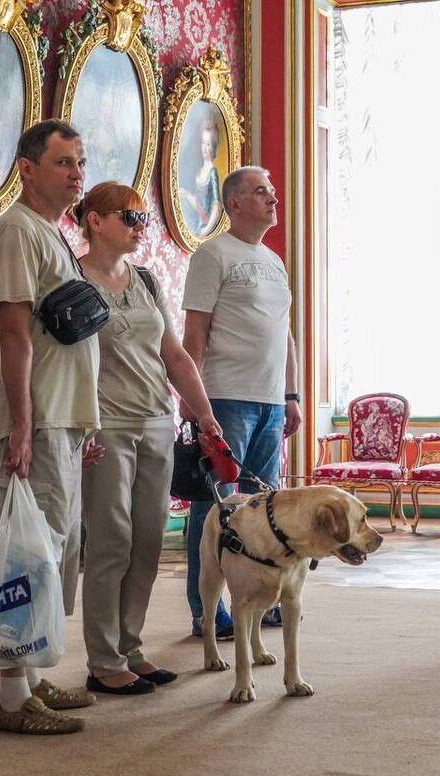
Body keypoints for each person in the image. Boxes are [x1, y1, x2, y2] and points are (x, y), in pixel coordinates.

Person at [0, 119, 102, 734]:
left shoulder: (49, 234)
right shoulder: (17, 233)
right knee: (30, 555)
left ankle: (30, 673)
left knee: (53, 552)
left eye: (80, 162)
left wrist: (83, 423)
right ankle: (10, 699)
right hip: (39, 419)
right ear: (27, 169)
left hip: (61, 419)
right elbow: (13, 333)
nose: (77, 174)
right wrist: (22, 426)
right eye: (64, 163)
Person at [74, 182, 223, 695]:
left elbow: (175, 356)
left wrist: (203, 415)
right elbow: (59, 362)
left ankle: (131, 648)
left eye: (142, 218)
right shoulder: (71, 278)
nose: (141, 226)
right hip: (106, 425)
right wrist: (78, 426)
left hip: (157, 421)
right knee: (111, 541)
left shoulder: (146, 280)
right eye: (130, 217)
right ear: (95, 220)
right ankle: (102, 659)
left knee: (149, 541)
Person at [181, 166, 301, 639]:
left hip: (270, 403)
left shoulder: (274, 260)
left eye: (271, 191)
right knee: (214, 510)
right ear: (234, 204)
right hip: (226, 398)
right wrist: (194, 401)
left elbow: (285, 335)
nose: (272, 198)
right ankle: (206, 611)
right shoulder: (212, 255)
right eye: (260, 192)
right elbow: (196, 332)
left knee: (261, 511)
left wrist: (290, 395)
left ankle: (253, 602)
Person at [179, 119, 222, 238]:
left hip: (204, 222)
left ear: (213, 147)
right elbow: (197, 201)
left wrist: (207, 228)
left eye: (208, 144)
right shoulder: (199, 169)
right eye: (203, 143)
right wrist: (186, 195)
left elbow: (216, 204)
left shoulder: (212, 172)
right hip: (196, 217)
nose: (205, 147)